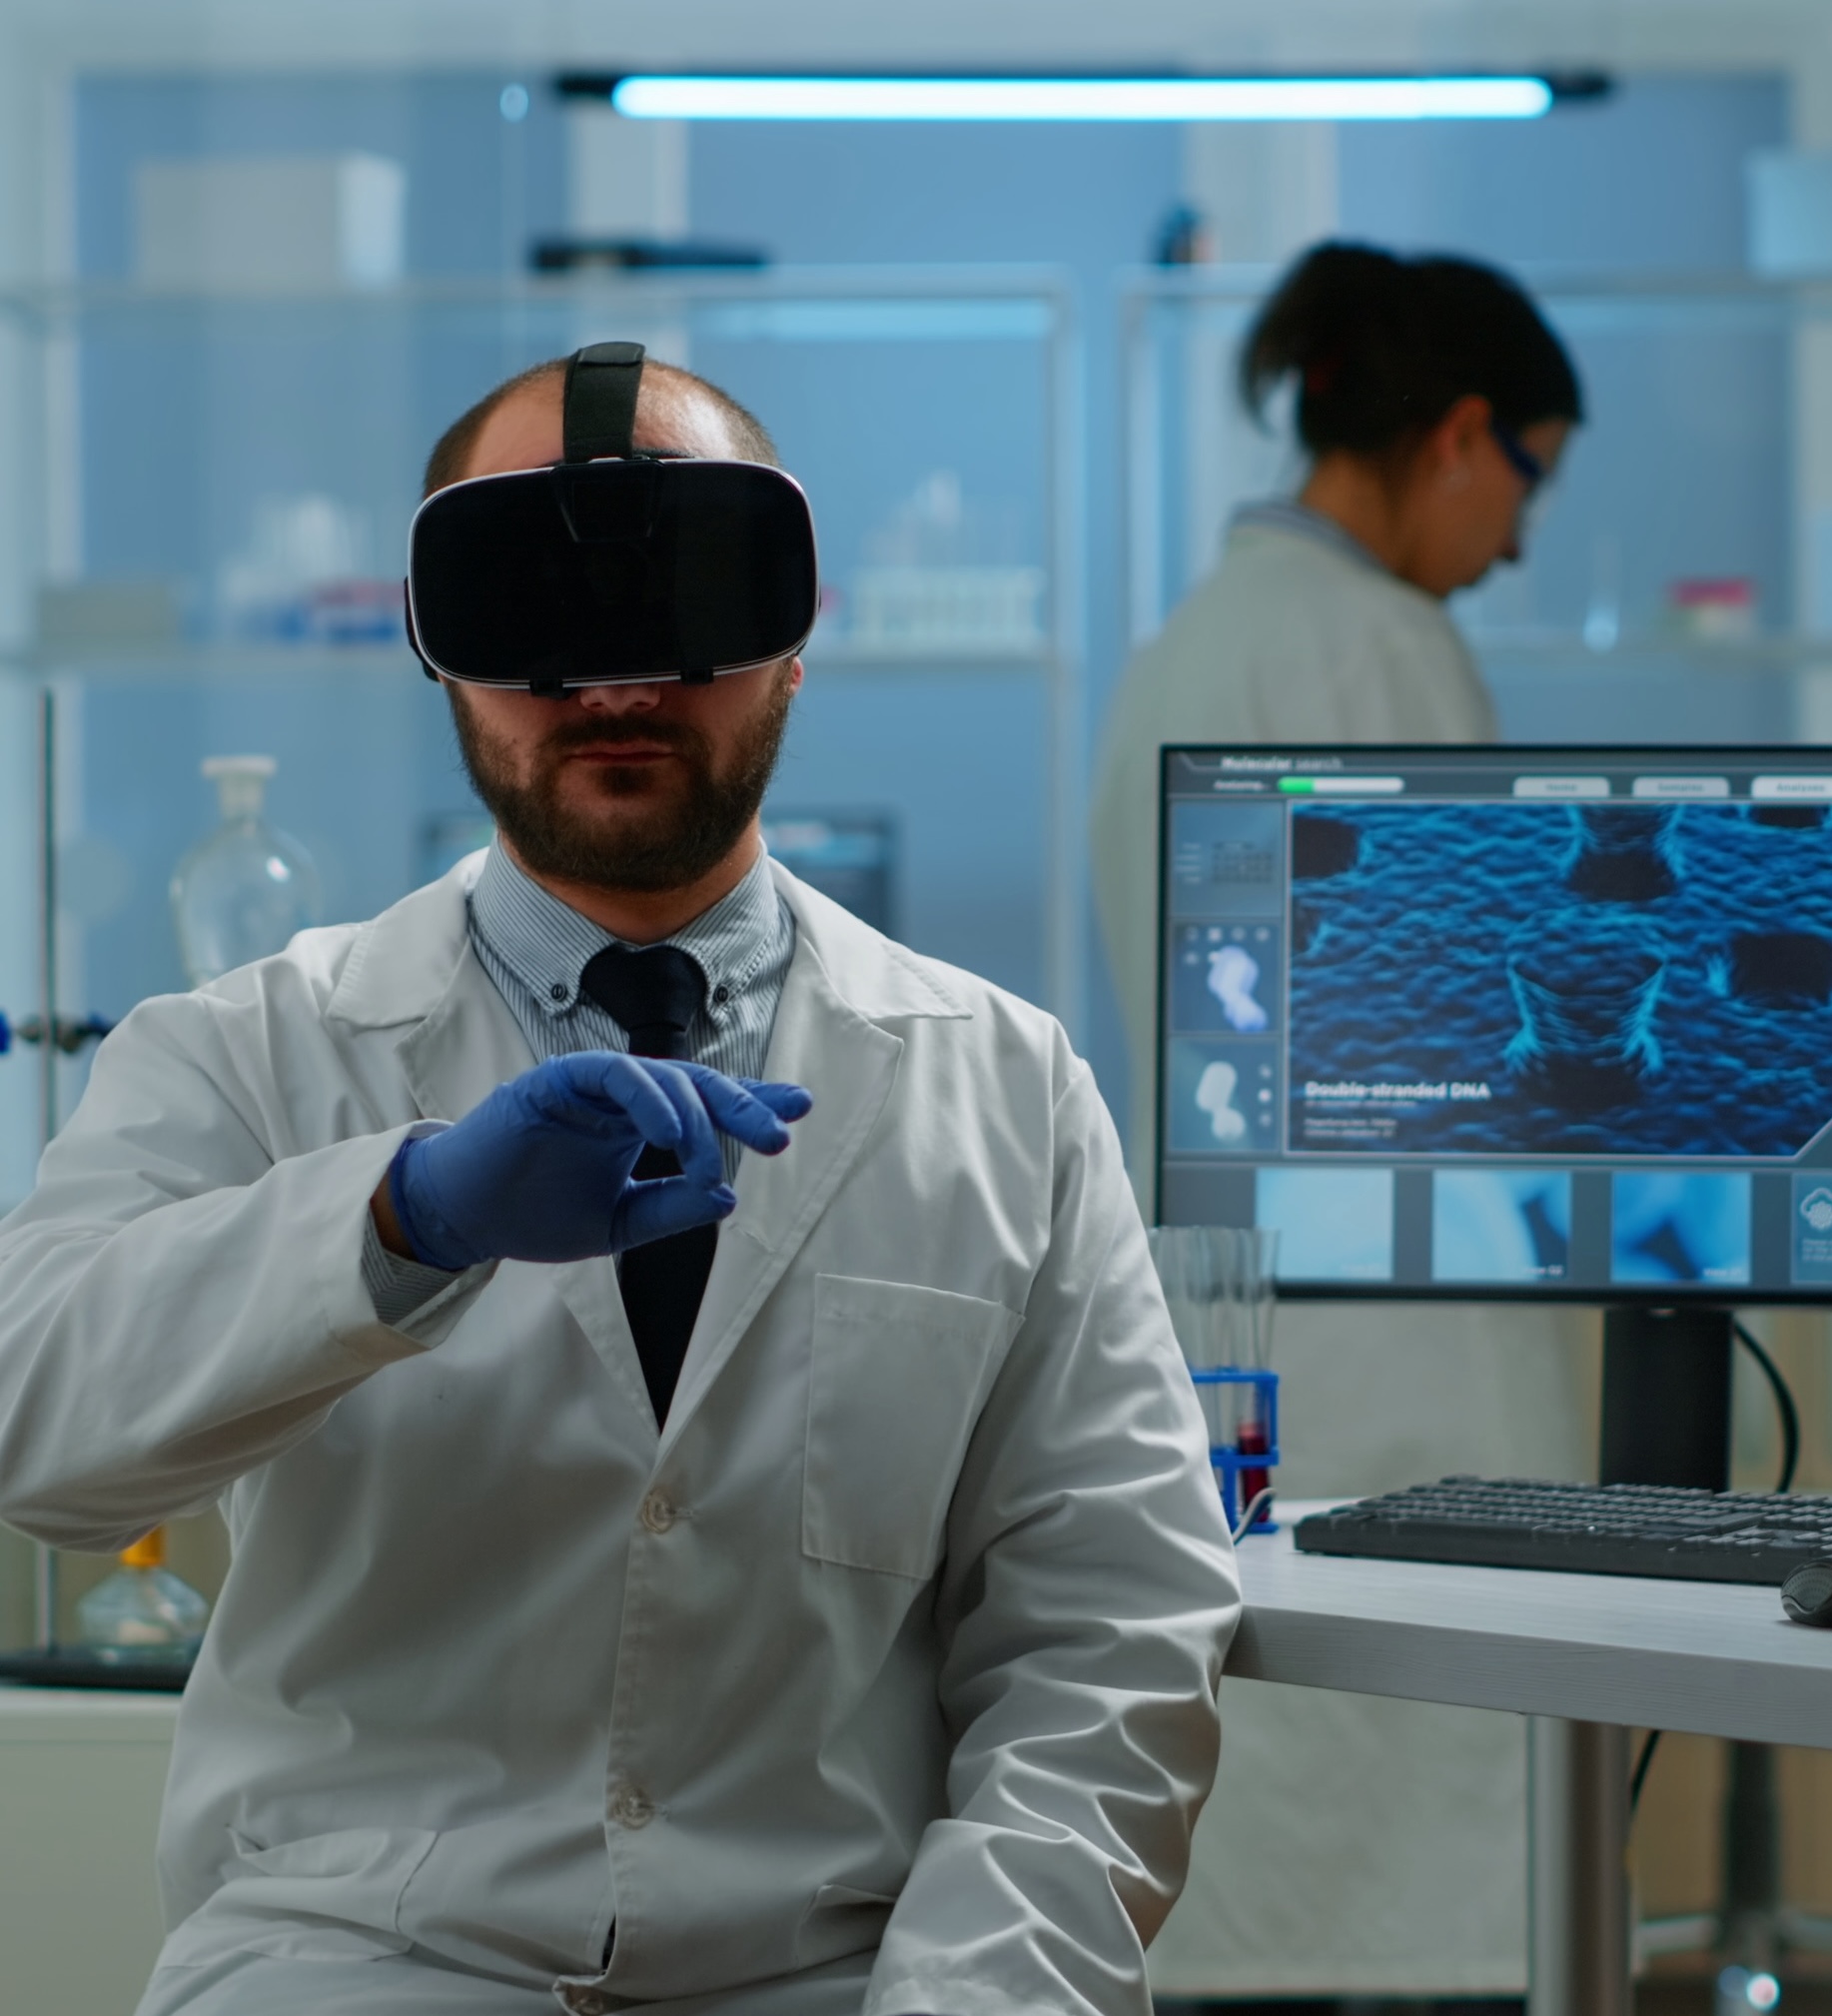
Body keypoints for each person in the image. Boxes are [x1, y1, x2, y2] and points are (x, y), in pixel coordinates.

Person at [0, 355, 1242, 2016]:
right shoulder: (253, 1054)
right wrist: (398, 1220)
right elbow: (38, 1427)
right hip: (357, 1957)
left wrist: (974, 1996)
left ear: (798, 626)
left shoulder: (1003, 1090)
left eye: (684, 592)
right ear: (440, 643)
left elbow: (1111, 1626)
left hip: (845, 1972)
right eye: (537, 606)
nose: (611, 680)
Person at [1090, 244, 1593, 2003]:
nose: (1516, 536)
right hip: (1416, 1354)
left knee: (1283, 1855)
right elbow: (1491, 1043)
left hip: (1242, 1343)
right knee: (1433, 1874)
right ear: (1460, 437)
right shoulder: (1381, 650)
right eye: (1527, 473)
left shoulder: (1185, 649)